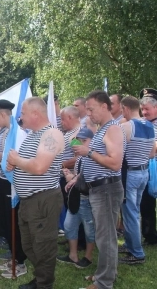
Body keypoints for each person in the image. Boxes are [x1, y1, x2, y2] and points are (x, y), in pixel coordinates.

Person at [7, 97, 64, 289]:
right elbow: (26, 163)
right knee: (29, 245)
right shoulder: (32, 135)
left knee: (43, 246)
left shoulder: (52, 134)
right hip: (28, 200)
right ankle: (40, 277)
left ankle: (44, 284)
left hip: (43, 199)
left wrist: (17, 160)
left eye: (22, 113)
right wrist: (13, 163)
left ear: (35, 113)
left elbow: (40, 167)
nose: (20, 117)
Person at [72, 90, 125, 289]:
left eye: (91, 109)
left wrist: (89, 152)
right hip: (99, 190)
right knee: (104, 236)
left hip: (107, 189)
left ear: (104, 106)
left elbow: (115, 163)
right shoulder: (102, 128)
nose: (89, 113)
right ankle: (105, 274)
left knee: (106, 238)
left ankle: (104, 283)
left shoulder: (113, 129)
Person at [0, 99, 28, 279]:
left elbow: (18, 162)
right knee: (5, 221)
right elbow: (7, 156)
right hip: (3, 181)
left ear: (4, 115)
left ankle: (20, 260)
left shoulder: (18, 134)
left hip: (13, 183)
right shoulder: (6, 132)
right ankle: (13, 255)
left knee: (14, 224)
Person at [118, 95, 155, 264]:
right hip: (143, 171)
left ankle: (137, 253)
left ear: (125, 108)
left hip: (130, 174)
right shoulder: (149, 125)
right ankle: (130, 244)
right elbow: (152, 152)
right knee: (135, 211)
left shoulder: (126, 127)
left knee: (130, 214)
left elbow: (118, 153)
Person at [58, 128, 96, 269]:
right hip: (76, 198)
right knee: (69, 226)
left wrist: (72, 178)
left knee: (89, 230)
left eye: (84, 140)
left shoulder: (93, 156)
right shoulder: (80, 156)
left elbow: (89, 178)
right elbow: (79, 174)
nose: (80, 143)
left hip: (87, 198)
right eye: (79, 140)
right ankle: (73, 255)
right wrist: (71, 174)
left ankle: (88, 256)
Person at [59, 106, 81, 234]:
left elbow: (79, 157)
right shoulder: (69, 133)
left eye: (62, 119)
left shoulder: (76, 135)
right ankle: (71, 236)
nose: (61, 122)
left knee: (73, 208)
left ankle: (77, 238)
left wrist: (61, 164)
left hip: (71, 177)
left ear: (70, 117)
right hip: (66, 175)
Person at [139, 88, 157, 245]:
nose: (144, 112)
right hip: (146, 168)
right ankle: (150, 235)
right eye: (142, 109)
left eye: (147, 109)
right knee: (147, 202)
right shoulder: (140, 123)